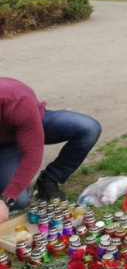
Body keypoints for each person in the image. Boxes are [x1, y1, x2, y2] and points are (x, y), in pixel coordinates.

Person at [0, 78, 101, 224]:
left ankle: (49, 179)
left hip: (31, 125)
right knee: (19, 201)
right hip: (4, 145)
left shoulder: (17, 101)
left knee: (89, 128)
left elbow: (32, 155)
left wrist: (5, 200)